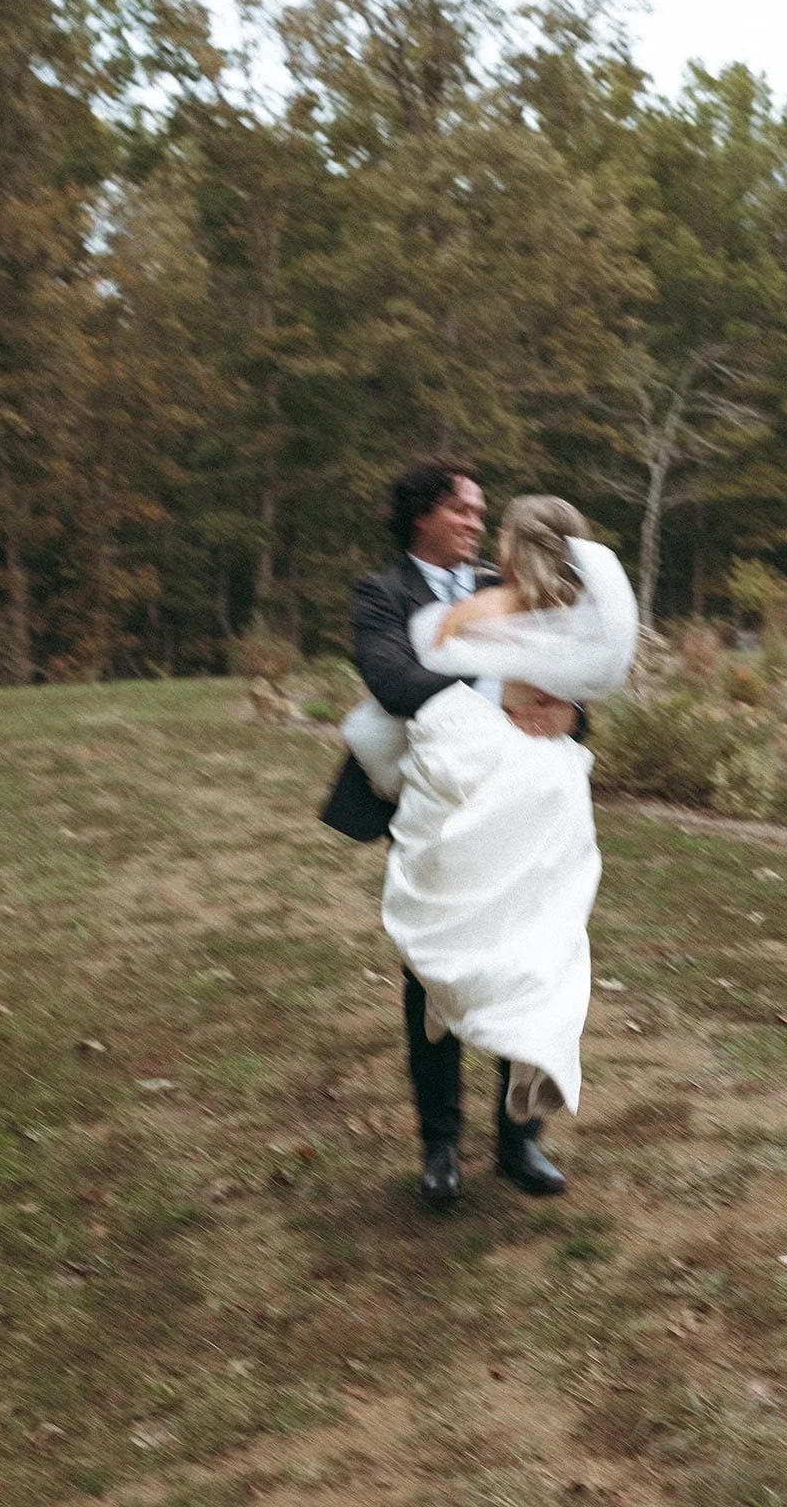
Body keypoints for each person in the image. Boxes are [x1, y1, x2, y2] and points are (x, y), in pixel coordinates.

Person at [322, 461, 637, 1207]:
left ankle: (518, 1141)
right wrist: (490, 689)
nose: (473, 522)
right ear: (420, 515)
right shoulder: (382, 594)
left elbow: (569, 687)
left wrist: (564, 714)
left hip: (524, 808)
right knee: (433, 969)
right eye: (460, 510)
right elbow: (393, 684)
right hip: (443, 805)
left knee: (528, 953)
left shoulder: (518, 586)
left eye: (480, 513)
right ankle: (439, 1146)